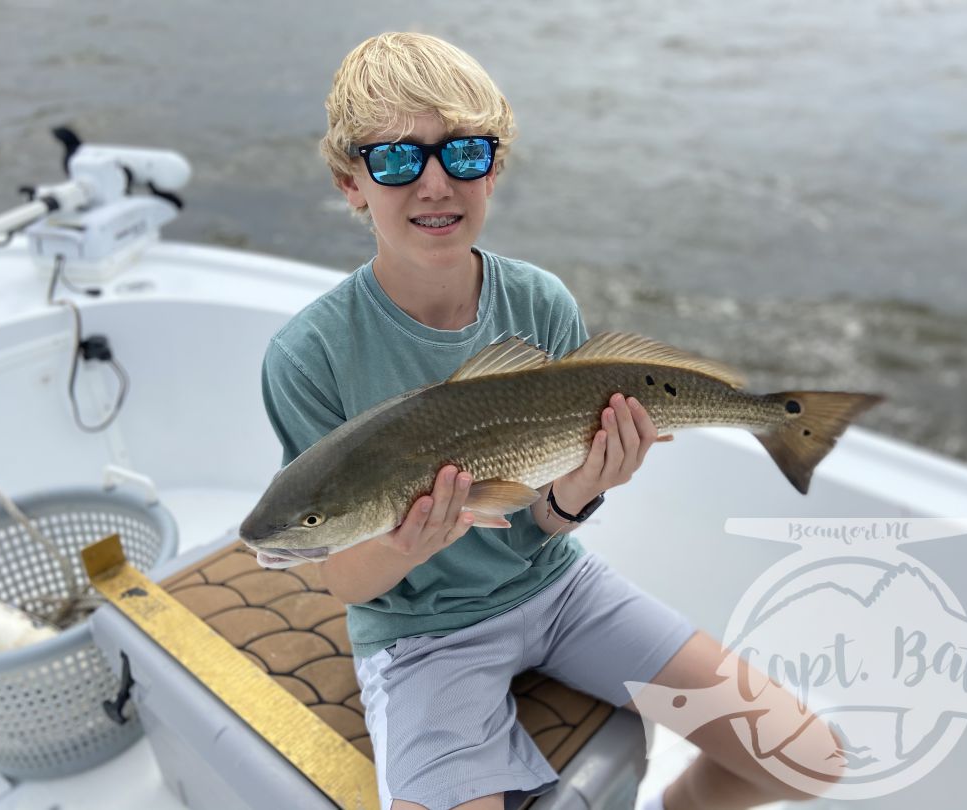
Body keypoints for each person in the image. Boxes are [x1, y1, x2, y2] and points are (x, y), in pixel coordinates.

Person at [260, 31, 841, 810]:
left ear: (494, 168)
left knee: (807, 758)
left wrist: (577, 495)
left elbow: (544, 521)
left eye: (463, 154)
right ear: (349, 181)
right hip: (421, 637)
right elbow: (339, 575)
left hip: (560, 591)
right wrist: (404, 543)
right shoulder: (308, 356)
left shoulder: (539, 302)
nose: (434, 183)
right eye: (396, 159)